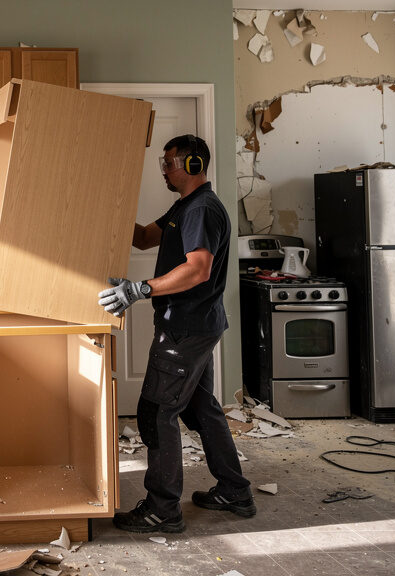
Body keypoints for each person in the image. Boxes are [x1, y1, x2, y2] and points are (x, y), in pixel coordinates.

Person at [97, 134, 254, 533]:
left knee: (156, 412)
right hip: (195, 326)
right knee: (201, 409)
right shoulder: (184, 206)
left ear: (193, 165)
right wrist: (101, 206)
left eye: (168, 163)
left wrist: (139, 289)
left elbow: (198, 269)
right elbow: (144, 238)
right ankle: (234, 490)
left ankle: (162, 509)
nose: (163, 170)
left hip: (185, 329)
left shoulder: (202, 209)